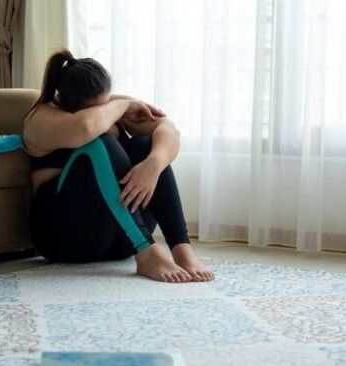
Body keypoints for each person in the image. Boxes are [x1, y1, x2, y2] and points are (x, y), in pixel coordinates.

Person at [23, 49, 213, 283]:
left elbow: (168, 129)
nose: (105, 107)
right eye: (97, 107)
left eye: (106, 102)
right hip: (65, 239)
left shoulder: (111, 105)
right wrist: (121, 105)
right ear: (67, 102)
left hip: (119, 241)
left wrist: (153, 165)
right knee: (99, 144)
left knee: (147, 145)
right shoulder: (40, 118)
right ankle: (147, 253)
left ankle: (181, 248)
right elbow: (86, 127)